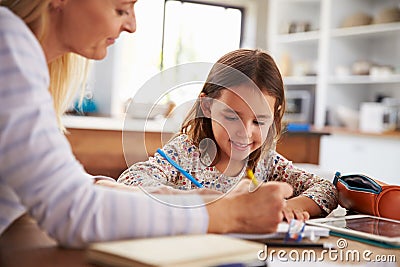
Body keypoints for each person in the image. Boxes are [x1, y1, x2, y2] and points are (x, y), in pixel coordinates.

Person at [0, 0, 294, 248]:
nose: (132, 25)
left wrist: (196, 201)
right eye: (121, 8)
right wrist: (229, 214)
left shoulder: (22, 54)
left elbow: (49, 191)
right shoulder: (8, 42)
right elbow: (71, 211)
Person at [118, 48, 338, 221]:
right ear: (207, 106)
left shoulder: (267, 162)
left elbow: (326, 189)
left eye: (259, 121)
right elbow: (130, 179)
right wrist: (207, 202)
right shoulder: (184, 154)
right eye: (231, 117)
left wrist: (290, 207)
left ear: (274, 115)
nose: (244, 132)